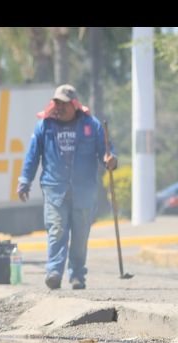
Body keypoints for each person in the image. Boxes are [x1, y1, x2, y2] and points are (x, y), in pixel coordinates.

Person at [18, 84, 117, 290]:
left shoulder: (92, 125)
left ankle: (77, 275)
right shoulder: (44, 126)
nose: (59, 107)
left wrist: (110, 159)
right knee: (56, 230)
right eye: (56, 103)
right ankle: (54, 272)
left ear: (74, 104)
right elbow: (32, 156)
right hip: (54, 188)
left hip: (84, 190)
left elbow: (106, 151)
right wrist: (25, 181)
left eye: (63, 103)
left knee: (80, 235)